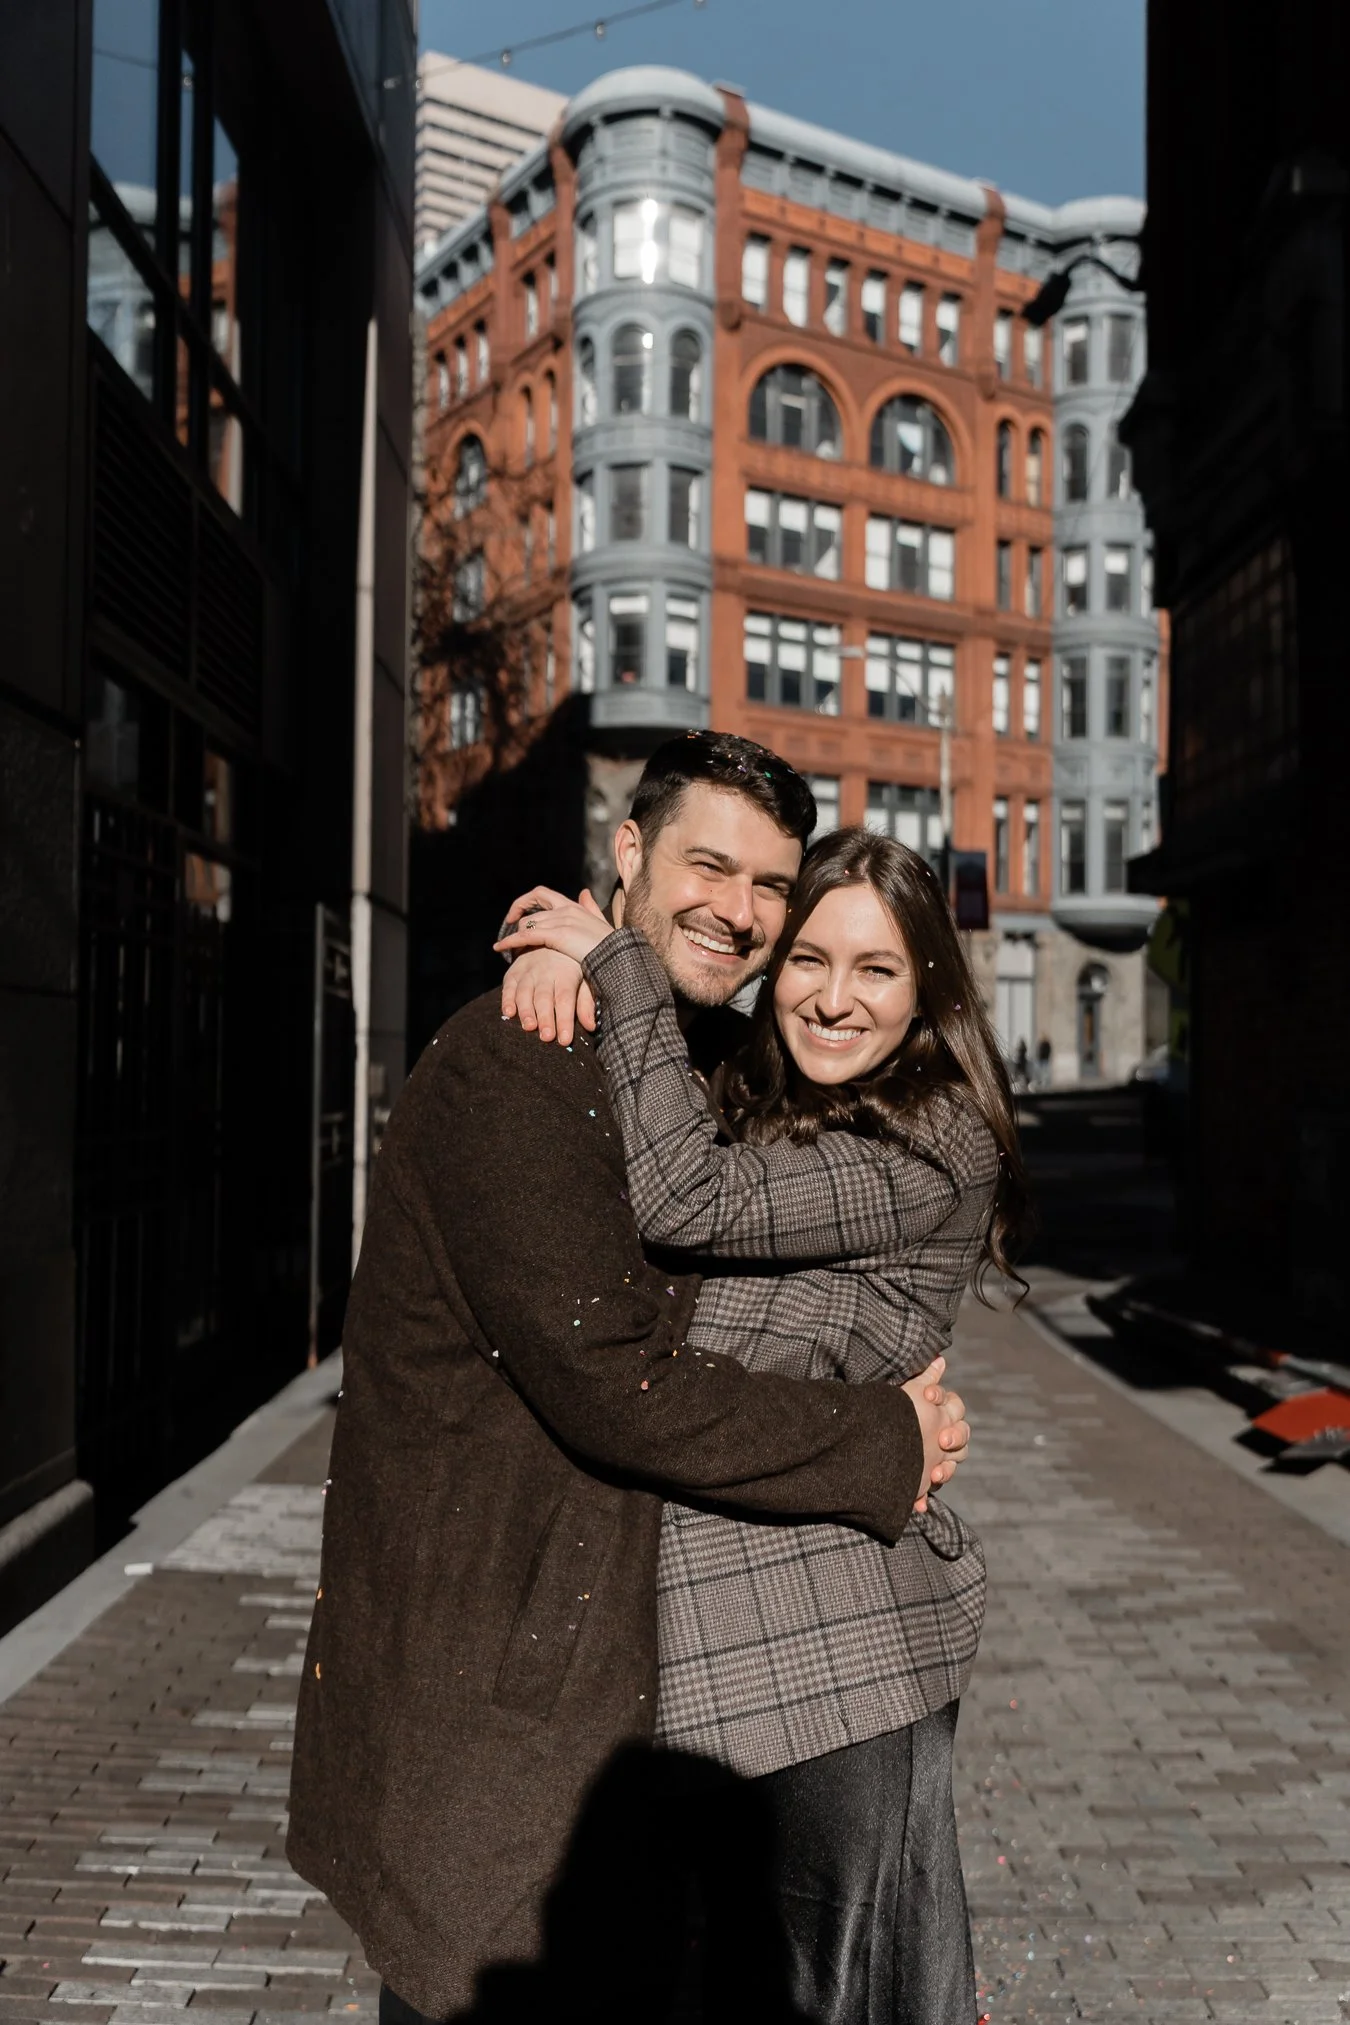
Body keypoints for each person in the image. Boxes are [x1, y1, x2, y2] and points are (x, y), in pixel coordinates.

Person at [285, 735, 973, 2024]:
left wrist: (594, 954)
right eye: (709, 865)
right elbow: (616, 1381)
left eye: (773, 886)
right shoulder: (520, 1067)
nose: (742, 910)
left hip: (595, 1661)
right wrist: (881, 1439)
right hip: (494, 1663)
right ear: (629, 853)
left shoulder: (685, 1051)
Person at [497, 824, 1031, 2025]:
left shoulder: (936, 1139)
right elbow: (655, 1112)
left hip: (834, 1661)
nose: (834, 1000)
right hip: (699, 1667)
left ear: (929, 988)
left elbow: (684, 1195)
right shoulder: (753, 1098)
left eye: (878, 970)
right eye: (808, 960)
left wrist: (616, 966)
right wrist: (573, 964)